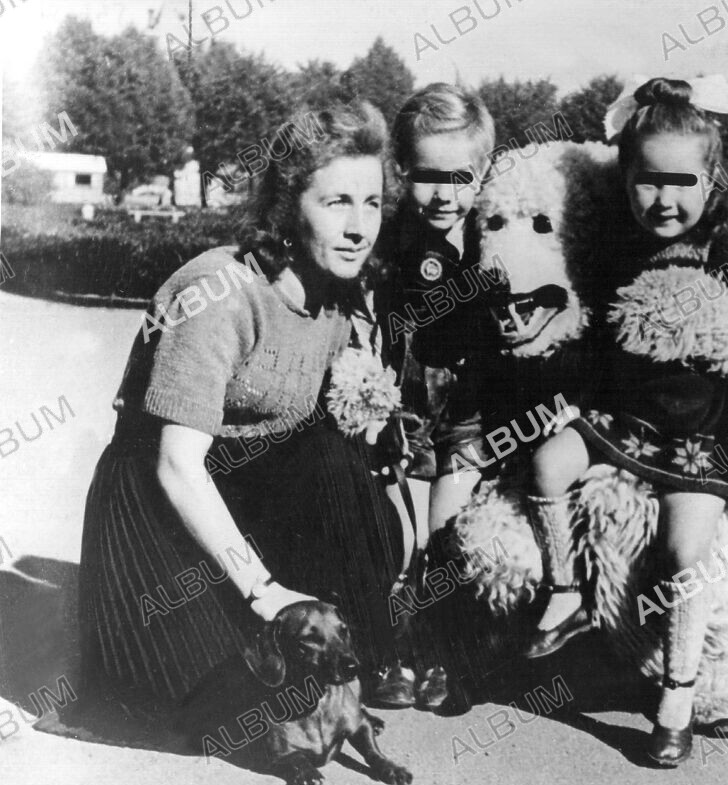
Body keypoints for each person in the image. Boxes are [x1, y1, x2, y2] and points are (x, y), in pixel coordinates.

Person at [76, 103, 410, 718]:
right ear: (286, 208)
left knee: (332, 451)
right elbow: (176, 464)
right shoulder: (217, 292)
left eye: (372, 203)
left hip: (248, 485)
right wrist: (263, 590)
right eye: (337, 202)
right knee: (215, 705)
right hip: (154, 494)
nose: (360, 226)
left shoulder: (339, 297)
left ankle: (376, 646)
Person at [523, 77, 728, 766]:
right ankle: (565, 594)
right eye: (648, 182)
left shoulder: (724, 245)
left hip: (699, 429)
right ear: (627, 178)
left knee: (685, 550)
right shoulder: (618, 243)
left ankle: (677, 691)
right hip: (623, 416)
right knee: (548, 462)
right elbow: (593, 326)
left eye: (682, 183)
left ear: (710, 183)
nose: (664, 200)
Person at [369, 83, 496, 709]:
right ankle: (393, 651)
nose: (444, 194)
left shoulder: (494, 239)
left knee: (446, 538)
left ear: (484, 173)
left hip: (468, 413)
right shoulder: (386, 243)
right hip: (400, 408)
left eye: (461, 176)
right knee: (401, 540)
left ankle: (441, 652)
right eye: (426, 176)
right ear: (401, 172)